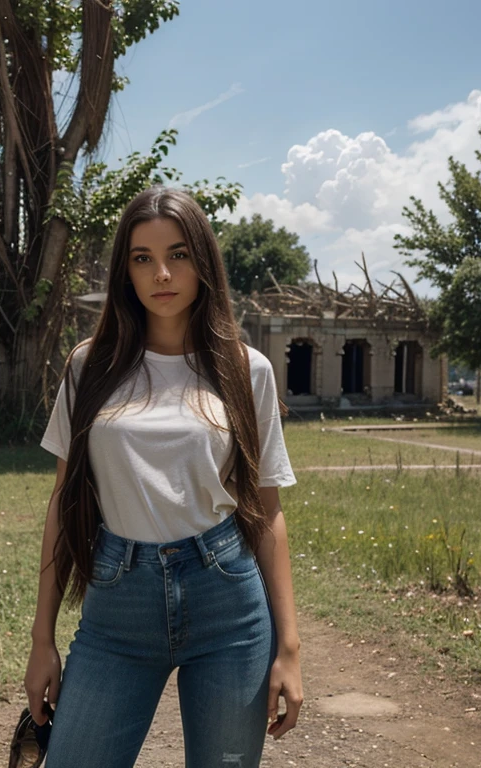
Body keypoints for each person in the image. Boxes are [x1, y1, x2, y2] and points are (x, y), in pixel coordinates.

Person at [24, 186, 303, 768]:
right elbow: (61, 500)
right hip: (116, 606)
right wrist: (41, 638)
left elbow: (268, 510)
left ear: (203, 261)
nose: (162, 274)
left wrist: (290, 648)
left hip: (227, 601)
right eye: (142, 258)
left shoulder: (246, 370)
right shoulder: (89, 365)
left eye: (178, 254)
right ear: (125, 270)